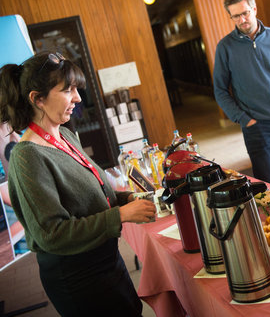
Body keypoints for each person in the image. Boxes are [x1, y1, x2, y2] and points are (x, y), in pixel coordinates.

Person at [0, 52, 157, 316]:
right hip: (78, 277)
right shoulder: (27, 156)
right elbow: (52, 234)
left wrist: (127, 199)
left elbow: (93, 193)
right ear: (37, 99)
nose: (77, 98)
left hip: (105, 260)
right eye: (67, 90)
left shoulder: (65, 135)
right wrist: (119, 215)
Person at [213, 0, 270, 189]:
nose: (242, 20)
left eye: (245, 13)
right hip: (256, 126)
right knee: (267, 185)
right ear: (230, 17)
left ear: (254, 9)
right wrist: (244, 119)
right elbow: (220, 90)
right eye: (235, 16)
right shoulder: (225, 47)